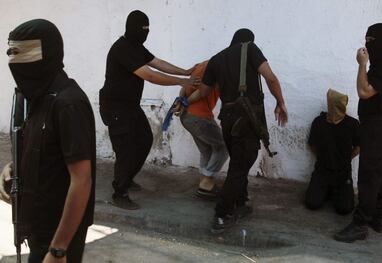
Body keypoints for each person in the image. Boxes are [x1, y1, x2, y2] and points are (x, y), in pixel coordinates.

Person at [0, 19, 96, 262]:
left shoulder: (68, 104)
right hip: (37, 224)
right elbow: (38, 148)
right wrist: (13, 168)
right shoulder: (35, 97)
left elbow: (81, 181)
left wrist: (59, 249)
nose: (15, 66)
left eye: (22, 55)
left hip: (59, 234)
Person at [187, 28, 288, 233]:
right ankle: (222, 214)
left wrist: (184, 101)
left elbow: (204, 91)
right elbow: (270, 78)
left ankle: (240, 203)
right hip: (246, 119)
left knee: (238, 162)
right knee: (241, 165)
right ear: (248, 41)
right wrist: (281, 102)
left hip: (228, 119)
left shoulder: (216, 59)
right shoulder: (250, 48)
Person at [99, 10, 198, 210]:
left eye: (148, 29)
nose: (146, 32)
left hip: (130, 106)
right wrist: (182, 81)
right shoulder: (122, 48)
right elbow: (150, 75)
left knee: (144, 140)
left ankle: (127, 179)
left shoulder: (136, 46)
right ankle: (120, 192)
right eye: (143, 29)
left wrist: (185, 71)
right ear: (132, 28)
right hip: (116, 107)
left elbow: (157, 63)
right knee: (125, 150)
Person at [335, 23, 382, 242]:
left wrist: (361, 65)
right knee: (379, 172)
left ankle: (360, 224)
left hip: (377, 127)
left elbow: (364, 91)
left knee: (368, 176)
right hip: (380, 127)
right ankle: (378, 216)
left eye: (370, 40)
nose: (366, 45)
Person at [177, 61, 229, 199]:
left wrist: (181, 100)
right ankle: (207, 182)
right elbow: (202, 92)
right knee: (223, 147)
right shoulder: (219, 66)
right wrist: (185, 101)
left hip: (187, 116)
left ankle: (205, 184)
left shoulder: (200, 65)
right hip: (199, 116)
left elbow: (187, 84)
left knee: (207, 148)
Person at [305, 89, 359, 215]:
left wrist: (346, 159)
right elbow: (312, 145)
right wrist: (323, 158)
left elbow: (358, 147)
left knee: (345, 209)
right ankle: (326, 190)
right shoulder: (319, 122)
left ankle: (336, 191)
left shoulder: (352, 124)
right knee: (311, 203)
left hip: (343, 173)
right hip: (322, 171)